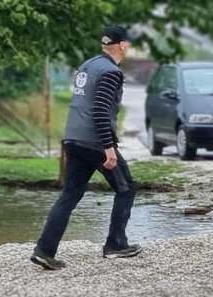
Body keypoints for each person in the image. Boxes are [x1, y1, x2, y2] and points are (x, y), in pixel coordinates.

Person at [31, 25, 141, 270]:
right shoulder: (111, 72)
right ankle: (116, 245)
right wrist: (109, 148)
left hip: (73, 138)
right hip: (95, 142)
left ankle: (44, 251)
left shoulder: (88, 66)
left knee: (70, 195)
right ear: (122, 45)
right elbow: (100, 111)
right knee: (126, 188)